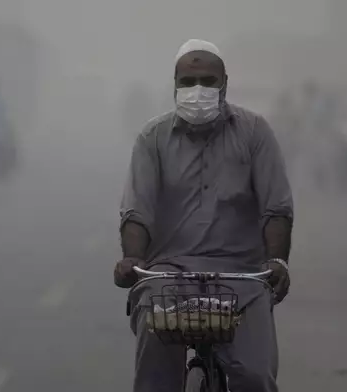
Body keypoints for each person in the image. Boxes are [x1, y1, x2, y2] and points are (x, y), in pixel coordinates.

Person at [114, 39, 293, 392]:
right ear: (175, 85)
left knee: (255, 377)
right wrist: (132, 257)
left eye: (208, 82)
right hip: (167, 275)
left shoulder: (255, 132)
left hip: (243, 275)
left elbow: (277, 207)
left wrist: (277, 260)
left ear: (225, 83)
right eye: (188, 82)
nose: (198, 90)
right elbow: (138, 210)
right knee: (155, 376)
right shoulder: (152, 138)